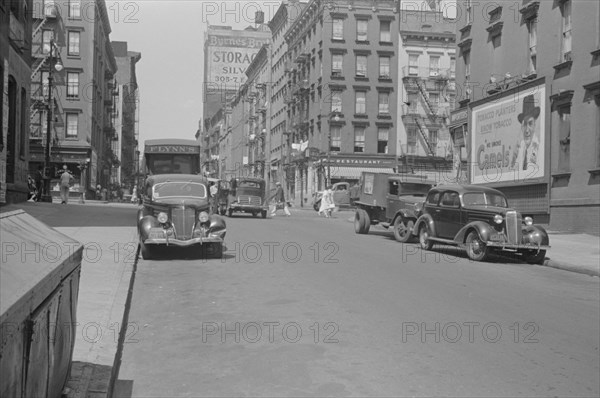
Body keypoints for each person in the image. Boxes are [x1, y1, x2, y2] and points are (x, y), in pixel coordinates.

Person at [511, 94, 541, 172]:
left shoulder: (538, 146)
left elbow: (532, 171)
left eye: (530, 124)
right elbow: (513, 170)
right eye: (524, 125)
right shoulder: (521, 146)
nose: (527, 130)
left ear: (535, 124)